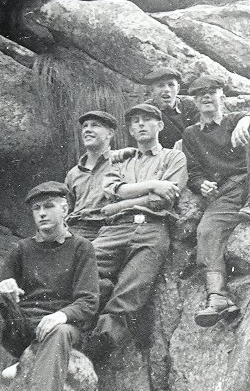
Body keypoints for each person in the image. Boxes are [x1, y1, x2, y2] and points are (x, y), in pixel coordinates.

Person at [0, 181, 99, 391]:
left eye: (49, 206)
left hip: (60, 328)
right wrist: (4, 285)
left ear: (64, 209)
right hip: (23, 327)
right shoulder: (22, 248)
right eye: (36, 208)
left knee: (59, 332)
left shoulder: (81, 248)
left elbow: (89, 301)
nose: (42, 213)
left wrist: (60, 316)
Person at [182, 75, 250, 328]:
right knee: (207, 230)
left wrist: (247, 120)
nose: (206, 96)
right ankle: (217, 297)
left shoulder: (235, 120)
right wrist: (201, 184)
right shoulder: (192, 134)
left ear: (222, 96)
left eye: (212, 91)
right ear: (194, 101)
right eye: (199, 94)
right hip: (229, 193)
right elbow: (194, 172)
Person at [83, 103, 187, 360]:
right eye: (135, 121)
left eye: (147, 119)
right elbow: (112, 189)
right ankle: (74, 324)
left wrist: (120, 203)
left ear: (160, 125)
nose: (140, 124)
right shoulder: (120, 160)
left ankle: (103, 340)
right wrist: (152, 185)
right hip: (115, 229)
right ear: (130, 130)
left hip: (151, 228)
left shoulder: (174, 157)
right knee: (82, 268)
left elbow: (163, 199)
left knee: (133, 286)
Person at [64, 110, 118, 242]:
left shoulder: (121, 163)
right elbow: (66, 209)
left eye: (95, 125)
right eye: (85, 126)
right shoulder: (73, 173)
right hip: (75, 231)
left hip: (107, 230)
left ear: (110, 134)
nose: (87, 130)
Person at [143, 67, 199, 149]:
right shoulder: (146, 110)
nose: (166, 89)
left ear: (178, 89)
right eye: (160, 85)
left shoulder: (189, 105)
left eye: (171, 85)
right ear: (151, 90)